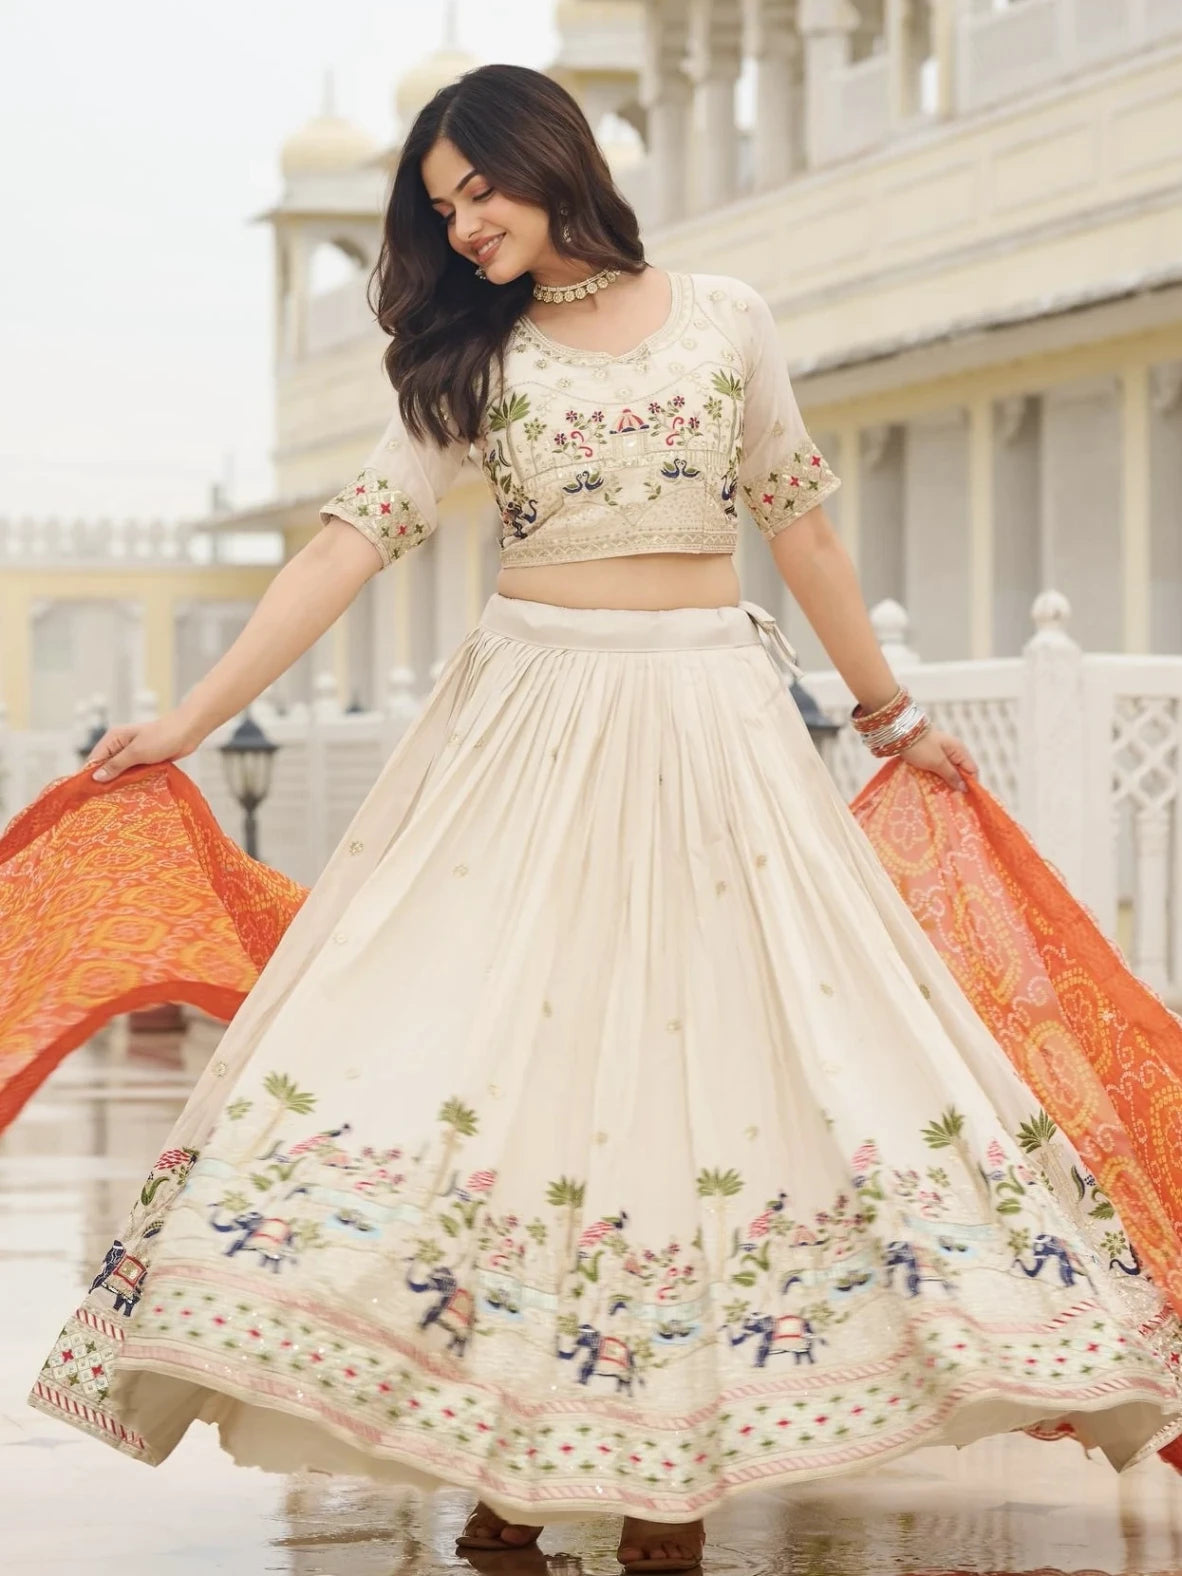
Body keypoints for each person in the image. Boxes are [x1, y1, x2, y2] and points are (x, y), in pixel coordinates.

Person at [29, 64, 1182, 1573]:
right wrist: (184, 716)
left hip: (708, 723)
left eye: (478, 193)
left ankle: (666, 1494)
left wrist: (889, 713)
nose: (462, 228)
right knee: (510, 1068)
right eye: (439, 212)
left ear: (547, 164)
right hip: (525, 730)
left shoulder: (724, 318)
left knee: (706, 1077)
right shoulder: (471, 359)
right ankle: (506, 1465)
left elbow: (802, 521)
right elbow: (345, 547)